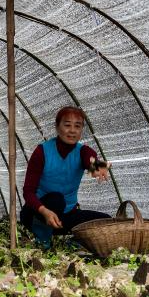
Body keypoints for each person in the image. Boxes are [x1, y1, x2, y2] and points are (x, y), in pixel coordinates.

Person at [20, 106, 111, 248]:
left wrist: (97, 168)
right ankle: (43, 239)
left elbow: (90, 160)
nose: (72, 130)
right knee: (56, 199)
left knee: (105, 220)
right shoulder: (42, 152)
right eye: (67, 125)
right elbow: (28, 192)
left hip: (64, 217)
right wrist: (44, 211)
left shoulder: (83, 151)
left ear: (81, 130)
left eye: (77, 126)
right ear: (57, 127)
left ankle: (74, 242)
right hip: (37, 214)